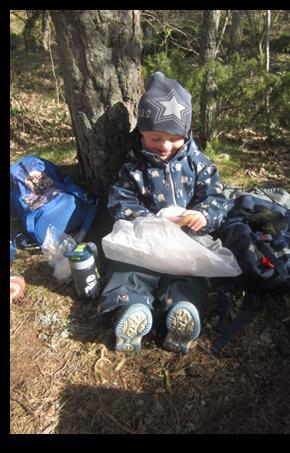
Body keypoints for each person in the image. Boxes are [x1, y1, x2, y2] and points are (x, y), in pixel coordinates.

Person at [98, 71, 229, 354]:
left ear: (187, 134)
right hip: (145, 237)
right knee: (128, 267)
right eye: (156, 137)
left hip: (186, 238)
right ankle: (132, 308)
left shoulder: (197, 163)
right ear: (141, 131)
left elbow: (217, 197)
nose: (165, 146)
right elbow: (120, 200)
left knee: (190, 273)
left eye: (175, 138)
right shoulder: (133, 167)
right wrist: (146, 219)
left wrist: (203, 215)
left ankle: (182, 309)